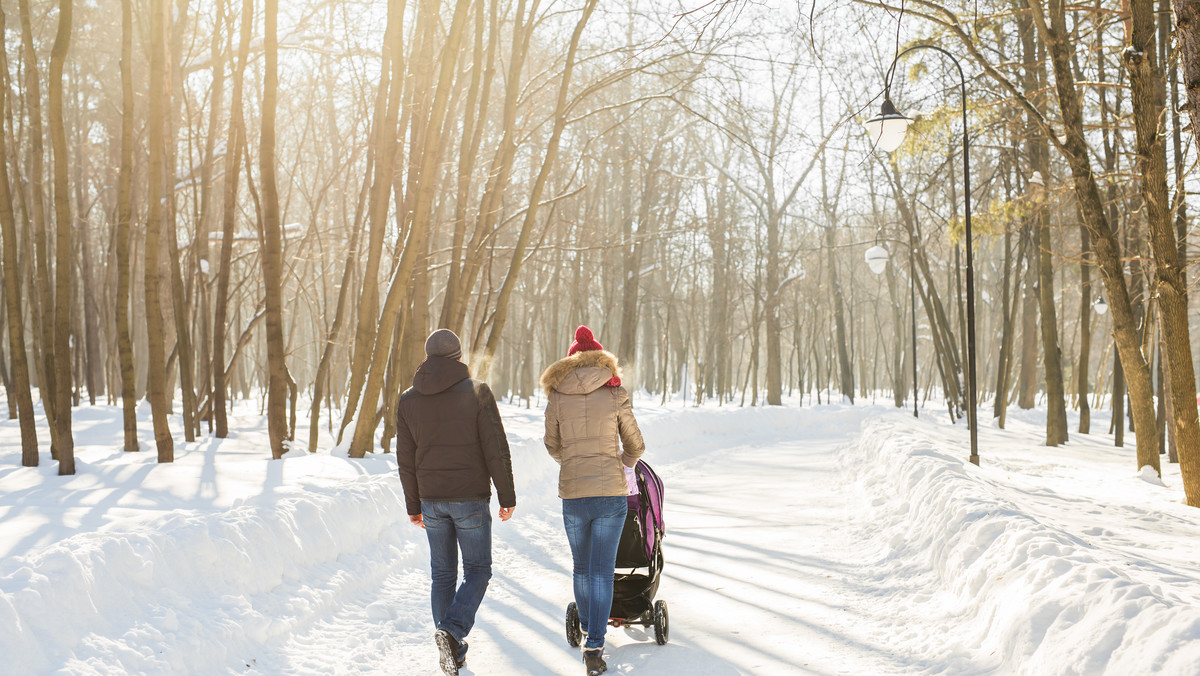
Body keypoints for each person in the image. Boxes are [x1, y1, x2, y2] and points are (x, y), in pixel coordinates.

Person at [396, 328, 517, 676]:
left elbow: (405, 457)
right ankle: (451, 631)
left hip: (431, 500)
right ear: (459, 357)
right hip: (470, 498)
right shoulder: (477, 392)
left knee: (443, 573)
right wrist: (507, 496)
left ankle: (451, 648)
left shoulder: (408, 399)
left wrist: (413, 505)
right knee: (478, 570)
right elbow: (496, 448)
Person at [540, 325, 645, 676]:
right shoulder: (615, 393)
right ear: (600, 358)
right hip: (610, 494)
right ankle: (595, 645)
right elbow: (636, 446)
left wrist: (572, 463)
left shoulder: (557, 394)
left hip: (573, 493)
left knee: (582, 567)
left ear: (571, 360)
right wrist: (622, 465)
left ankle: (588, 625)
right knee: (601, 570)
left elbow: (553, 445)